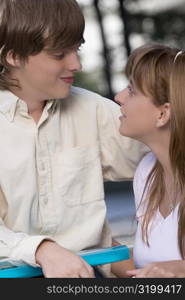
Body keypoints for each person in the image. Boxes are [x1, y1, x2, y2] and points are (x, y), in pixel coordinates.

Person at [0, 0, 147, 278]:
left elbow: (162, 156)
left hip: (89, 279)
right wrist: (42, 250)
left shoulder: (93, 110)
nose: (76, 64)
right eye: (59, 54)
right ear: (13, 56)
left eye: (76, 49)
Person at [114, 43, 185, 278]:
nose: (119, 97)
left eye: (131, 90)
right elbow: (145, 269)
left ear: (163, 113)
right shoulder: (147, 171)